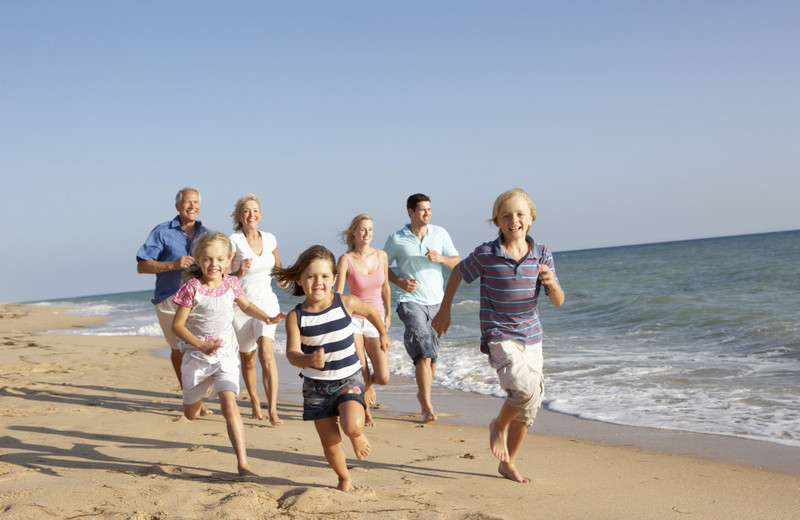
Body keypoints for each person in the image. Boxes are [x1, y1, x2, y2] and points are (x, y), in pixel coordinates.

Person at [431, 188, 565, 483]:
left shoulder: (542, 254)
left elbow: (557, 300)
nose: (513, 220)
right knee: (524, 390)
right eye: (506, 216)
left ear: (530, 219)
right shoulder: (487, 254)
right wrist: (445, 310)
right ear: (497, 221)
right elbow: (457, 272)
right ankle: (497, 426)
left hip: (532, 336)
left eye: (519, 214)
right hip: (499, 333)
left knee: (531, 406)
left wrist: (552, 284)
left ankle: (509, 462)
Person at [272, 245, 390, 492]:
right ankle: (343, 477)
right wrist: (308, 360)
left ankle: (357, 435)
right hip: (316, 387)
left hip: (349, 379)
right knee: (330, 442)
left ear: (335, 279)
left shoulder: (345, 303)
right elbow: (292, 353)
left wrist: (382, 333)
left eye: (325, 276)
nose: (318, 282)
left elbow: (370, 311)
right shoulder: (297, 317)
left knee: (352, 426)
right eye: (311, 276)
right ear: (300, 280)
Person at [171, 232, 285, 477]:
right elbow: (177, 326)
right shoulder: (192, 288)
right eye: (208, 259)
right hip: (198, 359)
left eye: (220, 259)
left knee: (229, 404)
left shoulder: (231, 283)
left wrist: (266, 316)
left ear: (229, 260)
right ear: (199, 261)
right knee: (190, 415)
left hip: (226, 357)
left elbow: (245, 306)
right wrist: (201, 346)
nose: (215, 265)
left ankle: (243, 465)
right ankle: (197, 400)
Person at [384, 194, 459, 423]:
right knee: (423, 352)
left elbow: (458, 262)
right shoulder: (396, 239)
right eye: (423, 210)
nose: (428, 213)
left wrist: (441, 258)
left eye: (429, 209)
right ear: (410, 212)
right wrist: (399, 282)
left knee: (432, 356)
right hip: (409, 301)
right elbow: (381, 266)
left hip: (437, 302)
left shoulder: (440, 233)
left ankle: (422, 392)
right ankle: (427, 406)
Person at [136, 187, 210, 407]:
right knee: (179, 349)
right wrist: (173, 264)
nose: (192, 206)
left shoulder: (207, 234)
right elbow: (142, 266)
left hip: (200, 299)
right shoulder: (161, 232)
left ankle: (198, 393)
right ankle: (188, 391)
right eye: (187, 202)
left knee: (200, 347)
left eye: (196, 202)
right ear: (178, 206)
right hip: (169, 299)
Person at [229, 194, 287, 425]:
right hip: (241, 306)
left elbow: (277, 268)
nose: (251, 215)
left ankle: (273, 410)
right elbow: (222, 275)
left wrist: (285, 280)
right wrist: (239, 272)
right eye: (246, 211)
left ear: (260, 215)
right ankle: (254, 402)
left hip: (267, 303)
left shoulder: (271, 239)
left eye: (255, 211)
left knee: (266, 354)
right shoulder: (233, 241)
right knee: (249, 359)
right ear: (239, 216)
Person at [334, 214, 391, 427]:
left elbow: (385, 287)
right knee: (362, 368)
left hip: (375, 318)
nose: (367, 233)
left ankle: (367, 385)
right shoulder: (345, 259)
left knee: (383, 376)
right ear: (354, 232)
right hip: (354, 320)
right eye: (363, 229)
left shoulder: (381, 256)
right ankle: (366, 412)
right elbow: (338, 293)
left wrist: (388, 315)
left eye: (370, 229)